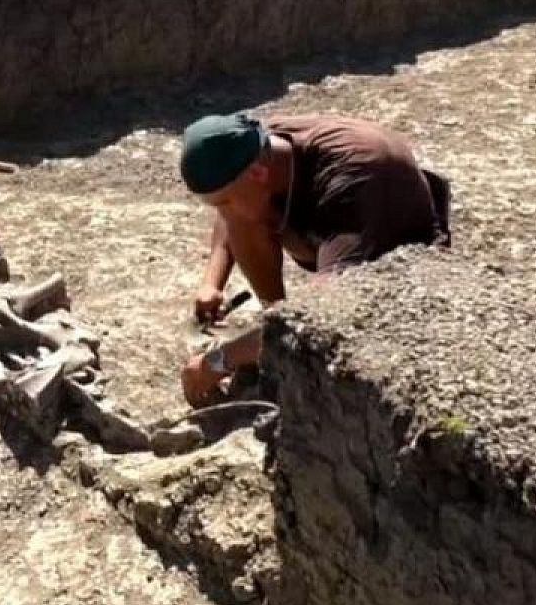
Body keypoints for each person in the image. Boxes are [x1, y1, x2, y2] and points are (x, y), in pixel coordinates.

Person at [177, 111, 451, 405]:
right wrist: (212, 282)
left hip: (393, 254)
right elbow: (232, 213)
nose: (224, 211)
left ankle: (275, 340)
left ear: (258, 174)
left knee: (321, 339)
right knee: (244, 217)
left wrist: (219, 361)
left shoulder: (349, 188)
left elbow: (320, 317)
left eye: (225, 201)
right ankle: (274, 326)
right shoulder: (256, 148)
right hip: (325, 226)